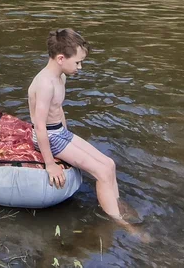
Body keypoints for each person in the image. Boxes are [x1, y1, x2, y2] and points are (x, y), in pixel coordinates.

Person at [29, 29, 142, 236]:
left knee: (109, 164)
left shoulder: (60, 77)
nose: (80, 68)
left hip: (59, 132)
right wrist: (50, 164)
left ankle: (116, 206)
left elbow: (59, 110)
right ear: (61, 58)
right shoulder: (45, 84)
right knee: (101, 174)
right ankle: (120, 224)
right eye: (78, 62)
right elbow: (39, 125)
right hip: (48, 136)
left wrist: (70, 139)